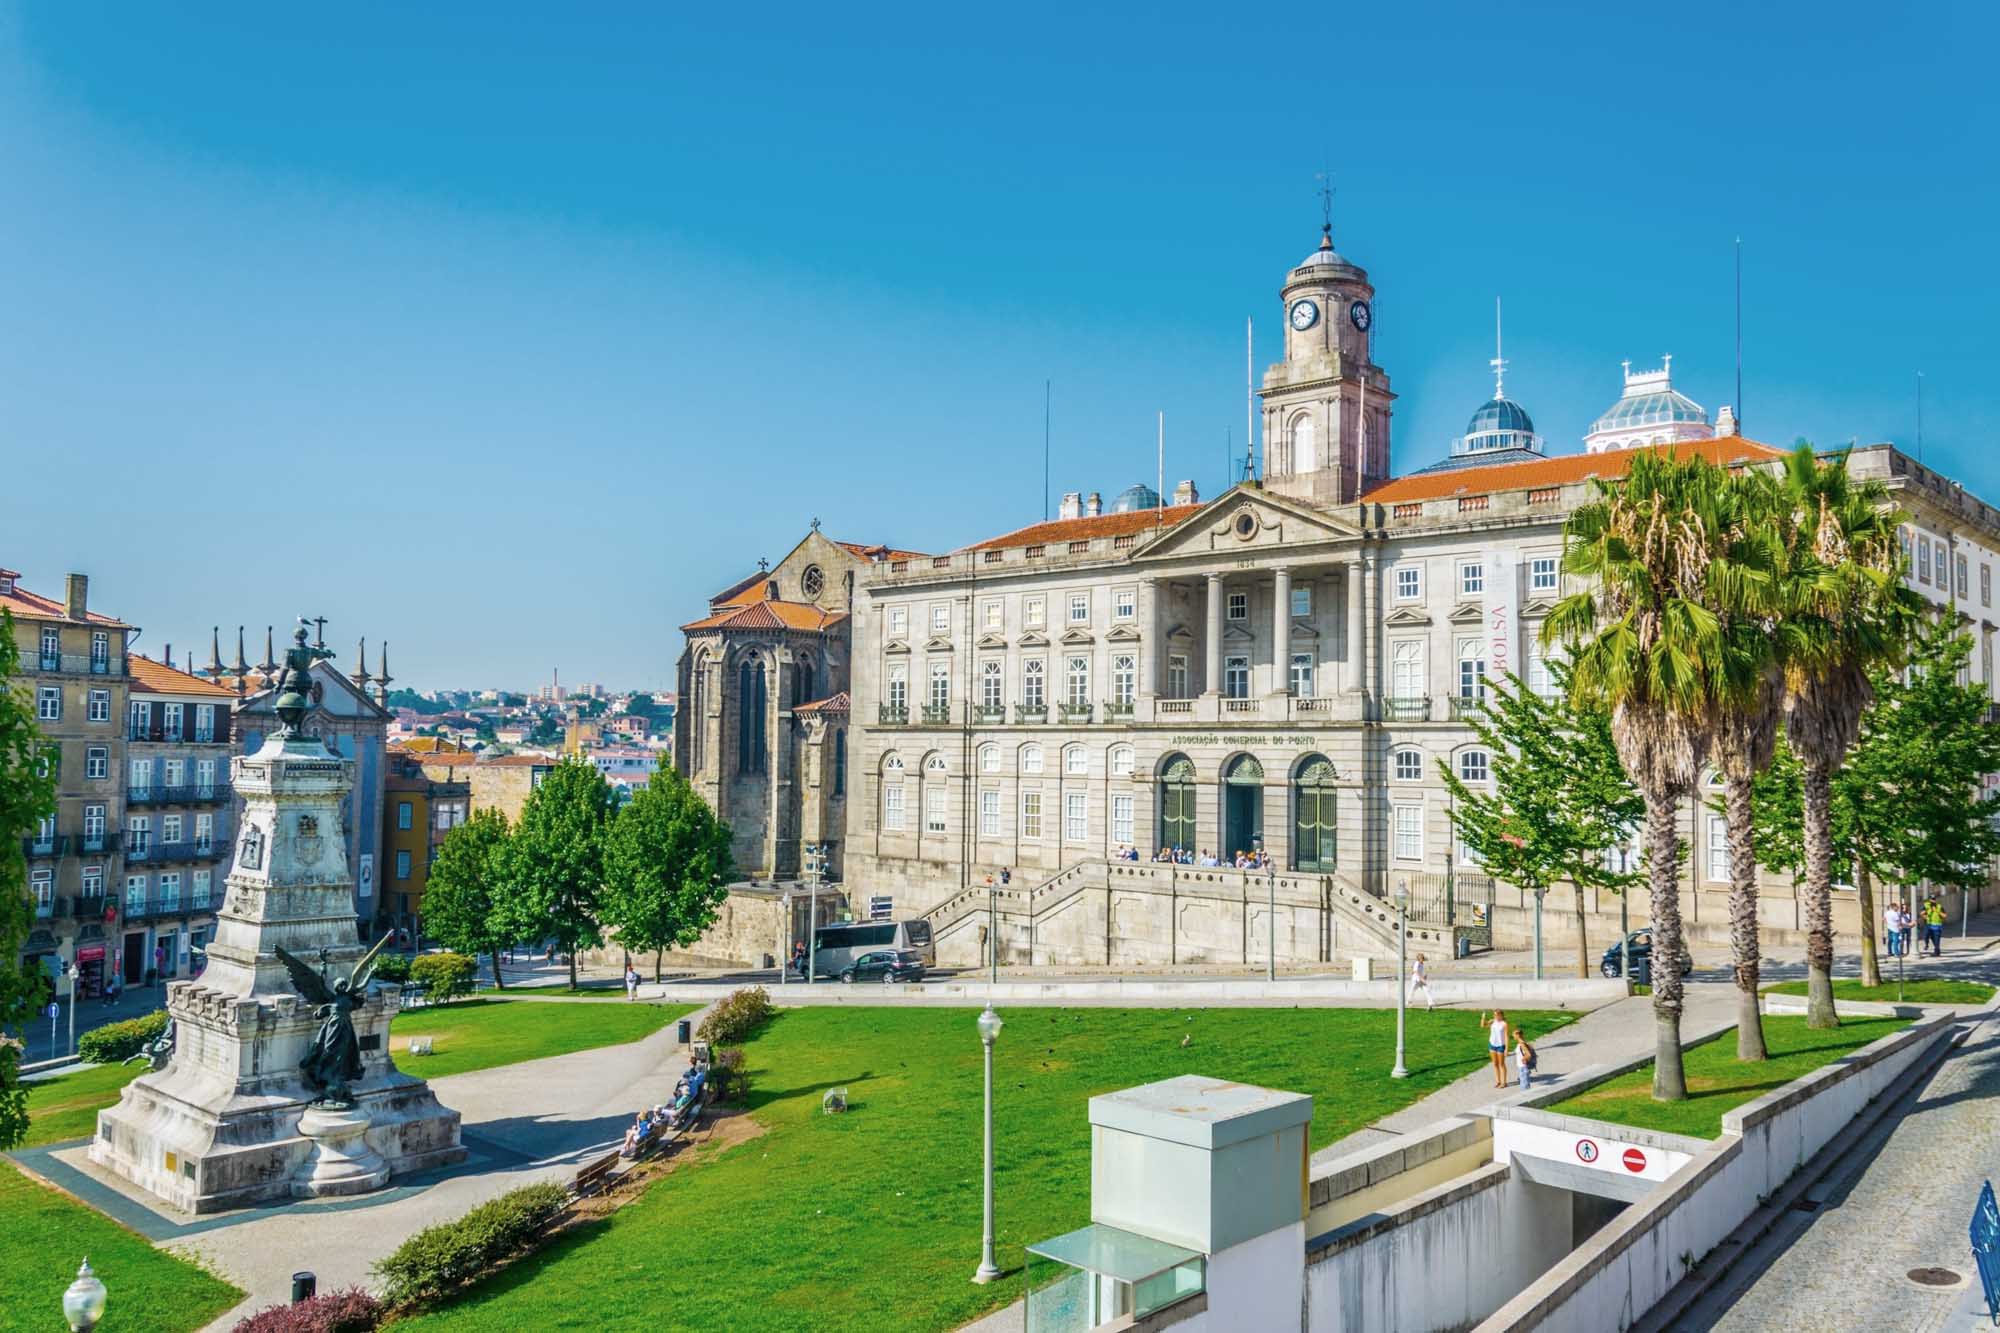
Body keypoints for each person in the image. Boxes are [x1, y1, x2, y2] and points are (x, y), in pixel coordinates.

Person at [1481, 1010, 1510, 1088]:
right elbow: (1483, 1026)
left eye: (1496, 1015)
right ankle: (1498, 1081)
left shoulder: (1504, 1024)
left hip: (1501, 1045)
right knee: (1495, 1064)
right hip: (1492, 1045)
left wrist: (1506, 1049)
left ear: (1501, 1015)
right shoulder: (1493, 1021)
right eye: (1494, 1015)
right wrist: (1483, 1017)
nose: (1495, 1016)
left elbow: (1507, 1037)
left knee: (1501, 1064)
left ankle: (1504, 1082)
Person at [1513, 1026, 1537, 1091]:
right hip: (1522, 1067)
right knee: (1524, 1085)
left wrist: (1524, 1059)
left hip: (1523, 1068)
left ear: (1517, 1035)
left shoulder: (1522, 1044)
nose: (1513, 1036)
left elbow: (1528, 1054)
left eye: (1514, 1035)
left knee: (1524, 1087)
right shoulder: (1523, 1042)